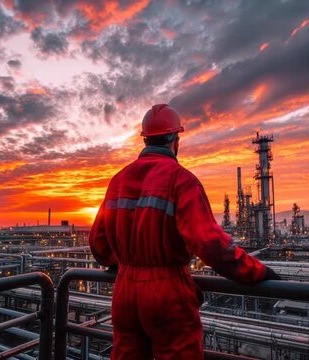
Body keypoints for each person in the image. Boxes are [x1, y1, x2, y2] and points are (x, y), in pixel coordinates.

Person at [89, 103, 280, 360]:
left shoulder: (118, 180)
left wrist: (122, 265)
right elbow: (210, 245)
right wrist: (257, 271)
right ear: (175, 140)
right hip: (166, 294)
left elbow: (98, 244)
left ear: (145, 140)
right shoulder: (181, 180)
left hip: (124, 293)